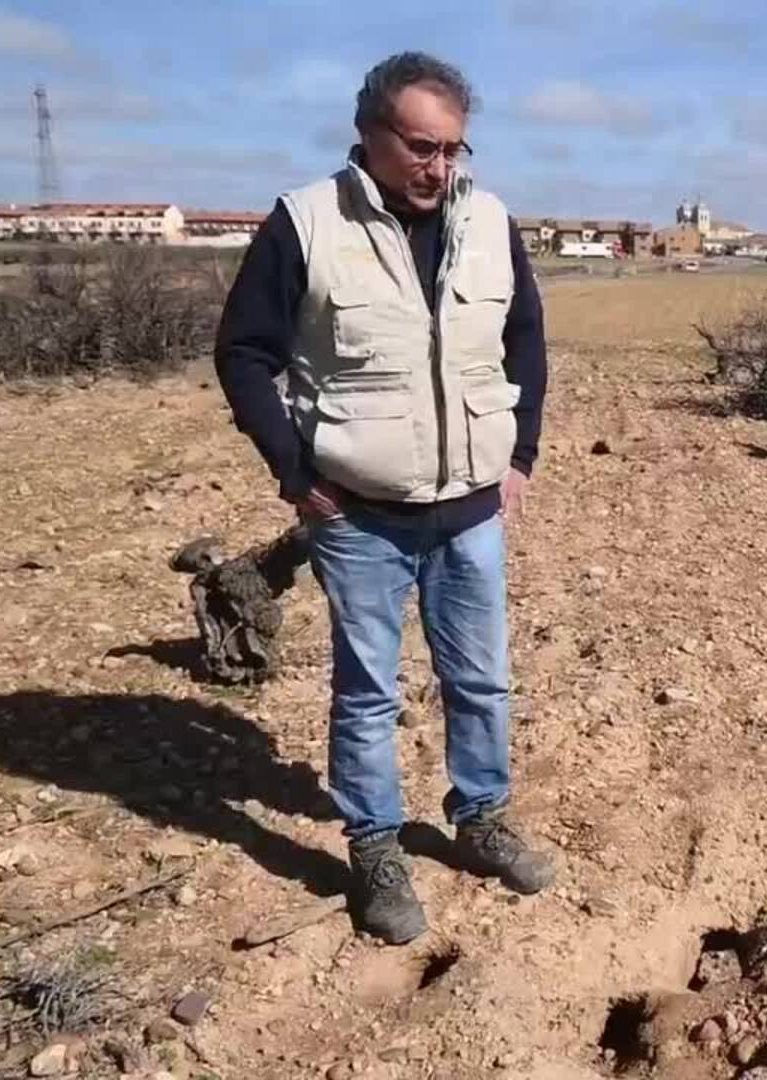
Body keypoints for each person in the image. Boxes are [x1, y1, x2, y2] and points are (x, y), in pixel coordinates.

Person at [215, 51, 553, 944]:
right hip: (358, 514)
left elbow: (524, 338)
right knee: (368, 693)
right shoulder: (306, 222)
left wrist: (519, 452)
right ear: (369, 132)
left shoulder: (490, 221)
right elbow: (245, 352)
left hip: (473, 507)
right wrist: (295, 472)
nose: (439, 168)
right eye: (421, 147)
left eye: (453, 150)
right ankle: (375, 845)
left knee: (480, 680)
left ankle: (480, 819)